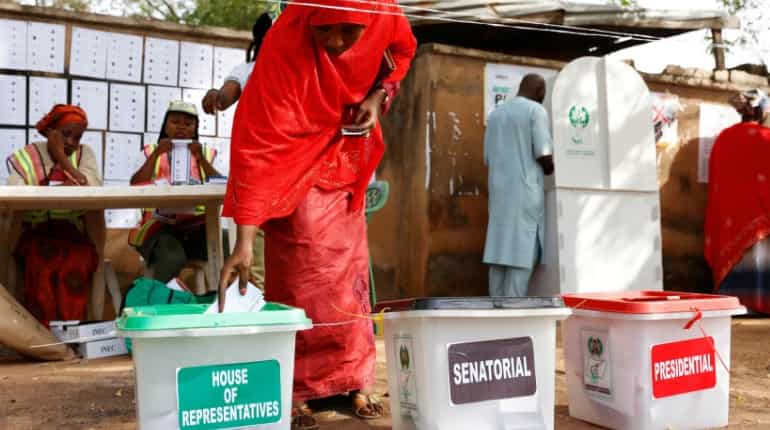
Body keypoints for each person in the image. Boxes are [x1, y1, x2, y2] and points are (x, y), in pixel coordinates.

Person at [217, 0, 416, 428]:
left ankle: (355, 379)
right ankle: (298, 387)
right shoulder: (283, 47)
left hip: (347, 160)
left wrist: (378, 95)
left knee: (349, 275)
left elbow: (403, 50)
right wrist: (245, 241)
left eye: (348, 30)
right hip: (293, 171)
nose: (335, 42)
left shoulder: (385, 13)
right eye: (324, 30)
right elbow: (255, 144)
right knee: (303, 275)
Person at [5, 104, 104, 327]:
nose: (71, 142)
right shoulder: (29, 155)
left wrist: (61, 157)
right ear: (51, 132)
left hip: (72, 233)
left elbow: (91, 186)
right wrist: (66, 180)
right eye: (65, 135)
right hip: (35, 232)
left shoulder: (84, 153)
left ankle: (71, 333)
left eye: (76, 138)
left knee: (77, 262)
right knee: (43, 264)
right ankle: (44, 335)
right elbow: (15, 192)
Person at [201, 12, 274, 289]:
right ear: (262, 41)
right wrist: (215, 97)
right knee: (255, 261)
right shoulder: (248, 70)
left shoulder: (303, 68)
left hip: (289, 168)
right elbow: (225, 96)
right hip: (257, 168)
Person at [128, 101, 220, 284]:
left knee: (224, 246)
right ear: (165, 126)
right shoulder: (149, 152)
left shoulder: (207, 154)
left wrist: (201, 159)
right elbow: (135, 184)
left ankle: (216, 304)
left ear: (195, 129)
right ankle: (161, 307)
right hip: (159, 228)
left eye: (188, 124)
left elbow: (220, 184)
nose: (181, 127)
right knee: (171, 258)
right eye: (175, 122)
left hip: (196, 227)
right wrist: (157, 155)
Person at [483, 74, 554, 297]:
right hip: (525, 193)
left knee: (499, 254)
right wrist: (551, 166)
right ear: (541, 90)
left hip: (499, 195)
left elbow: (487, 157)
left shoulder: (495, 115)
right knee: (522, 254)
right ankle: (513, 312)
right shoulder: (536, 111)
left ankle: (495, 313)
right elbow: (543, 154)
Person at [705, 90, 770, 314]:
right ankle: (761, 304)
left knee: (734, 261)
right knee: (761, 259)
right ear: (762, 112)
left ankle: (732, 304)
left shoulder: (723, 138)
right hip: (761, 214)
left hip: (729, 217)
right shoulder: (766, 138)